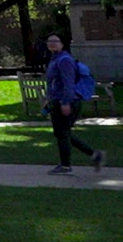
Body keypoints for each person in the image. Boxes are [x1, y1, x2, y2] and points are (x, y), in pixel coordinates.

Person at [43, 32, 107, 174]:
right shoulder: (54, 59)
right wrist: (48, 100)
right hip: (57, 100)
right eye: (49, 41)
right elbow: (53, 84)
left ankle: (66, 166)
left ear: (62, 44)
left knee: (62, 133)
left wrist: (65, 103)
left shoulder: (65, 60)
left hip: (66, 101)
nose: (52, 43)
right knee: (63, 133)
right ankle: (95, 155)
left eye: (55, 41)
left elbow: (68, 83)